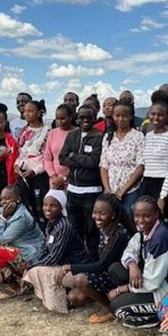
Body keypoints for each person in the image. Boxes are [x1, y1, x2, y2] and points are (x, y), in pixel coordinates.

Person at [107, 196, 168, 329]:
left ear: (156, 214)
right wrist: (132, 265)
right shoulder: (145, 231)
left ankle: (155, 315)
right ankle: (137, 301)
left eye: (146, 216)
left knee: (117, 307)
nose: (140, 220)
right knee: (115, 269)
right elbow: (129, 250)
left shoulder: (160, 239)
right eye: (137, 216)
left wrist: (120, 290)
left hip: (165, 289)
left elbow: (153, 282)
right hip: (151, 280)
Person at [59, 193, 133, 321]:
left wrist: (71, 267)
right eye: (95, 212)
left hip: (117, 276)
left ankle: (110, 308)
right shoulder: (103, 229)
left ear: (113, 215)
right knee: (74, 297)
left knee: (80, 279)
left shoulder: (119, 234)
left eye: (102, 214)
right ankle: (103, 298)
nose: (97, 217)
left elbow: (102, 265)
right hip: (105, 273)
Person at [21, 190, 89, 311]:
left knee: (38, 270)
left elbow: (54, 257)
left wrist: (32, 266)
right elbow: (44, 248)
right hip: (62, 266)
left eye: (53, 205)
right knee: (33, 267)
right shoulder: (51, 224)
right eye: (45, 205)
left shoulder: (64, 226)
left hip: (76, 269)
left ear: (61, 207)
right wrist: (30, 263)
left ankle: (59, 302)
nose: (47, 208)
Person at [0, 184, 44, 297]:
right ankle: (17, 281)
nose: (3, 202)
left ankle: (24, 280)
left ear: (18, 199)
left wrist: (2, 218)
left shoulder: (21, 218)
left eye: (7, 198)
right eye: (1, 199)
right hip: (19, 252)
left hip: (32, 255)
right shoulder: (9, 209)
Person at [59, 105, 103, 259]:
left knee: (92, 231)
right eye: (82, 117)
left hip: (91, 192)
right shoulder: (72, 136)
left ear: (95, 119)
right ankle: (77, 260)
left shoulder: (99, 137)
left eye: (89, 117)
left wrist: (74, 156)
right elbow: (62, 158)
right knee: (74, 230)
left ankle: (92, 261)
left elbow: (94, 162)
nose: (85, 120)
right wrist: (78, 158)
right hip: (72, 191)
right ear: (76, 118)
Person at [99, 100, 145, 212]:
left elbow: (141, 166)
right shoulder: (108, 137)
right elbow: (104, 165)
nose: (120, 119)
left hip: (131, 191)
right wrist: (107, 189)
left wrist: (122, 191)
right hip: (111, 191)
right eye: (117, 115)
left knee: (128, 222)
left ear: (131, 117)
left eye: (125, 116)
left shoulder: (138, 136)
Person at [140, 98, 168, 219]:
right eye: (153, 114)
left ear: (167, 116)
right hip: (147, 184)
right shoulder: (147, 136)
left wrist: (162, 196)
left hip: (164, 185)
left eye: (160, 115)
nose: (156, 118)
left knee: (163, 220)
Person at [14, 100, 50, 225]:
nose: (27, 114)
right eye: (25, 111)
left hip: (39, 175)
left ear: (39, 112)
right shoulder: (23, 131)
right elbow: (20, 152)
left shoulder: (47, 131)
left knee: (39, 205)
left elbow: (47, 156)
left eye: (30, 111)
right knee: (25, 204)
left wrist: (35, 171)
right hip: (23, 173)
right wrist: (17, 165)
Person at [43, 104, 77, 189]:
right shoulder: (53, 133)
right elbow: (47, 158)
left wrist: (64, 178)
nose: (59, 122)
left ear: (70, 117)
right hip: (55, 181)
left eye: (63, 119)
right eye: (57, 119)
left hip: (73, 180)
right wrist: (54, 176)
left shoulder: (78, 133)